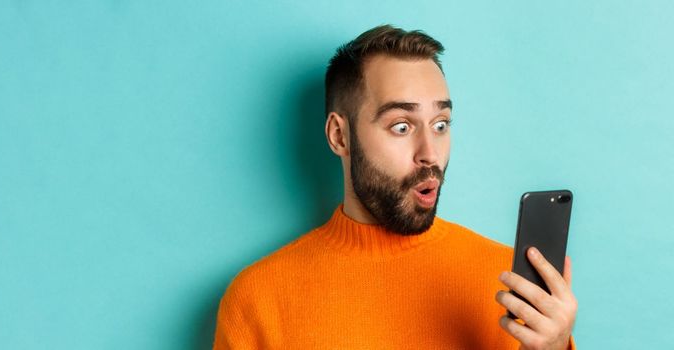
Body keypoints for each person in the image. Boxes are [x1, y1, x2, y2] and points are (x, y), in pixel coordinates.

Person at [213, 24, 577, 349]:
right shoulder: (258, 300)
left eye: (440, 124)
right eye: (401, 126)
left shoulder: (512, 288)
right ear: (340, 136)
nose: (430, 154)